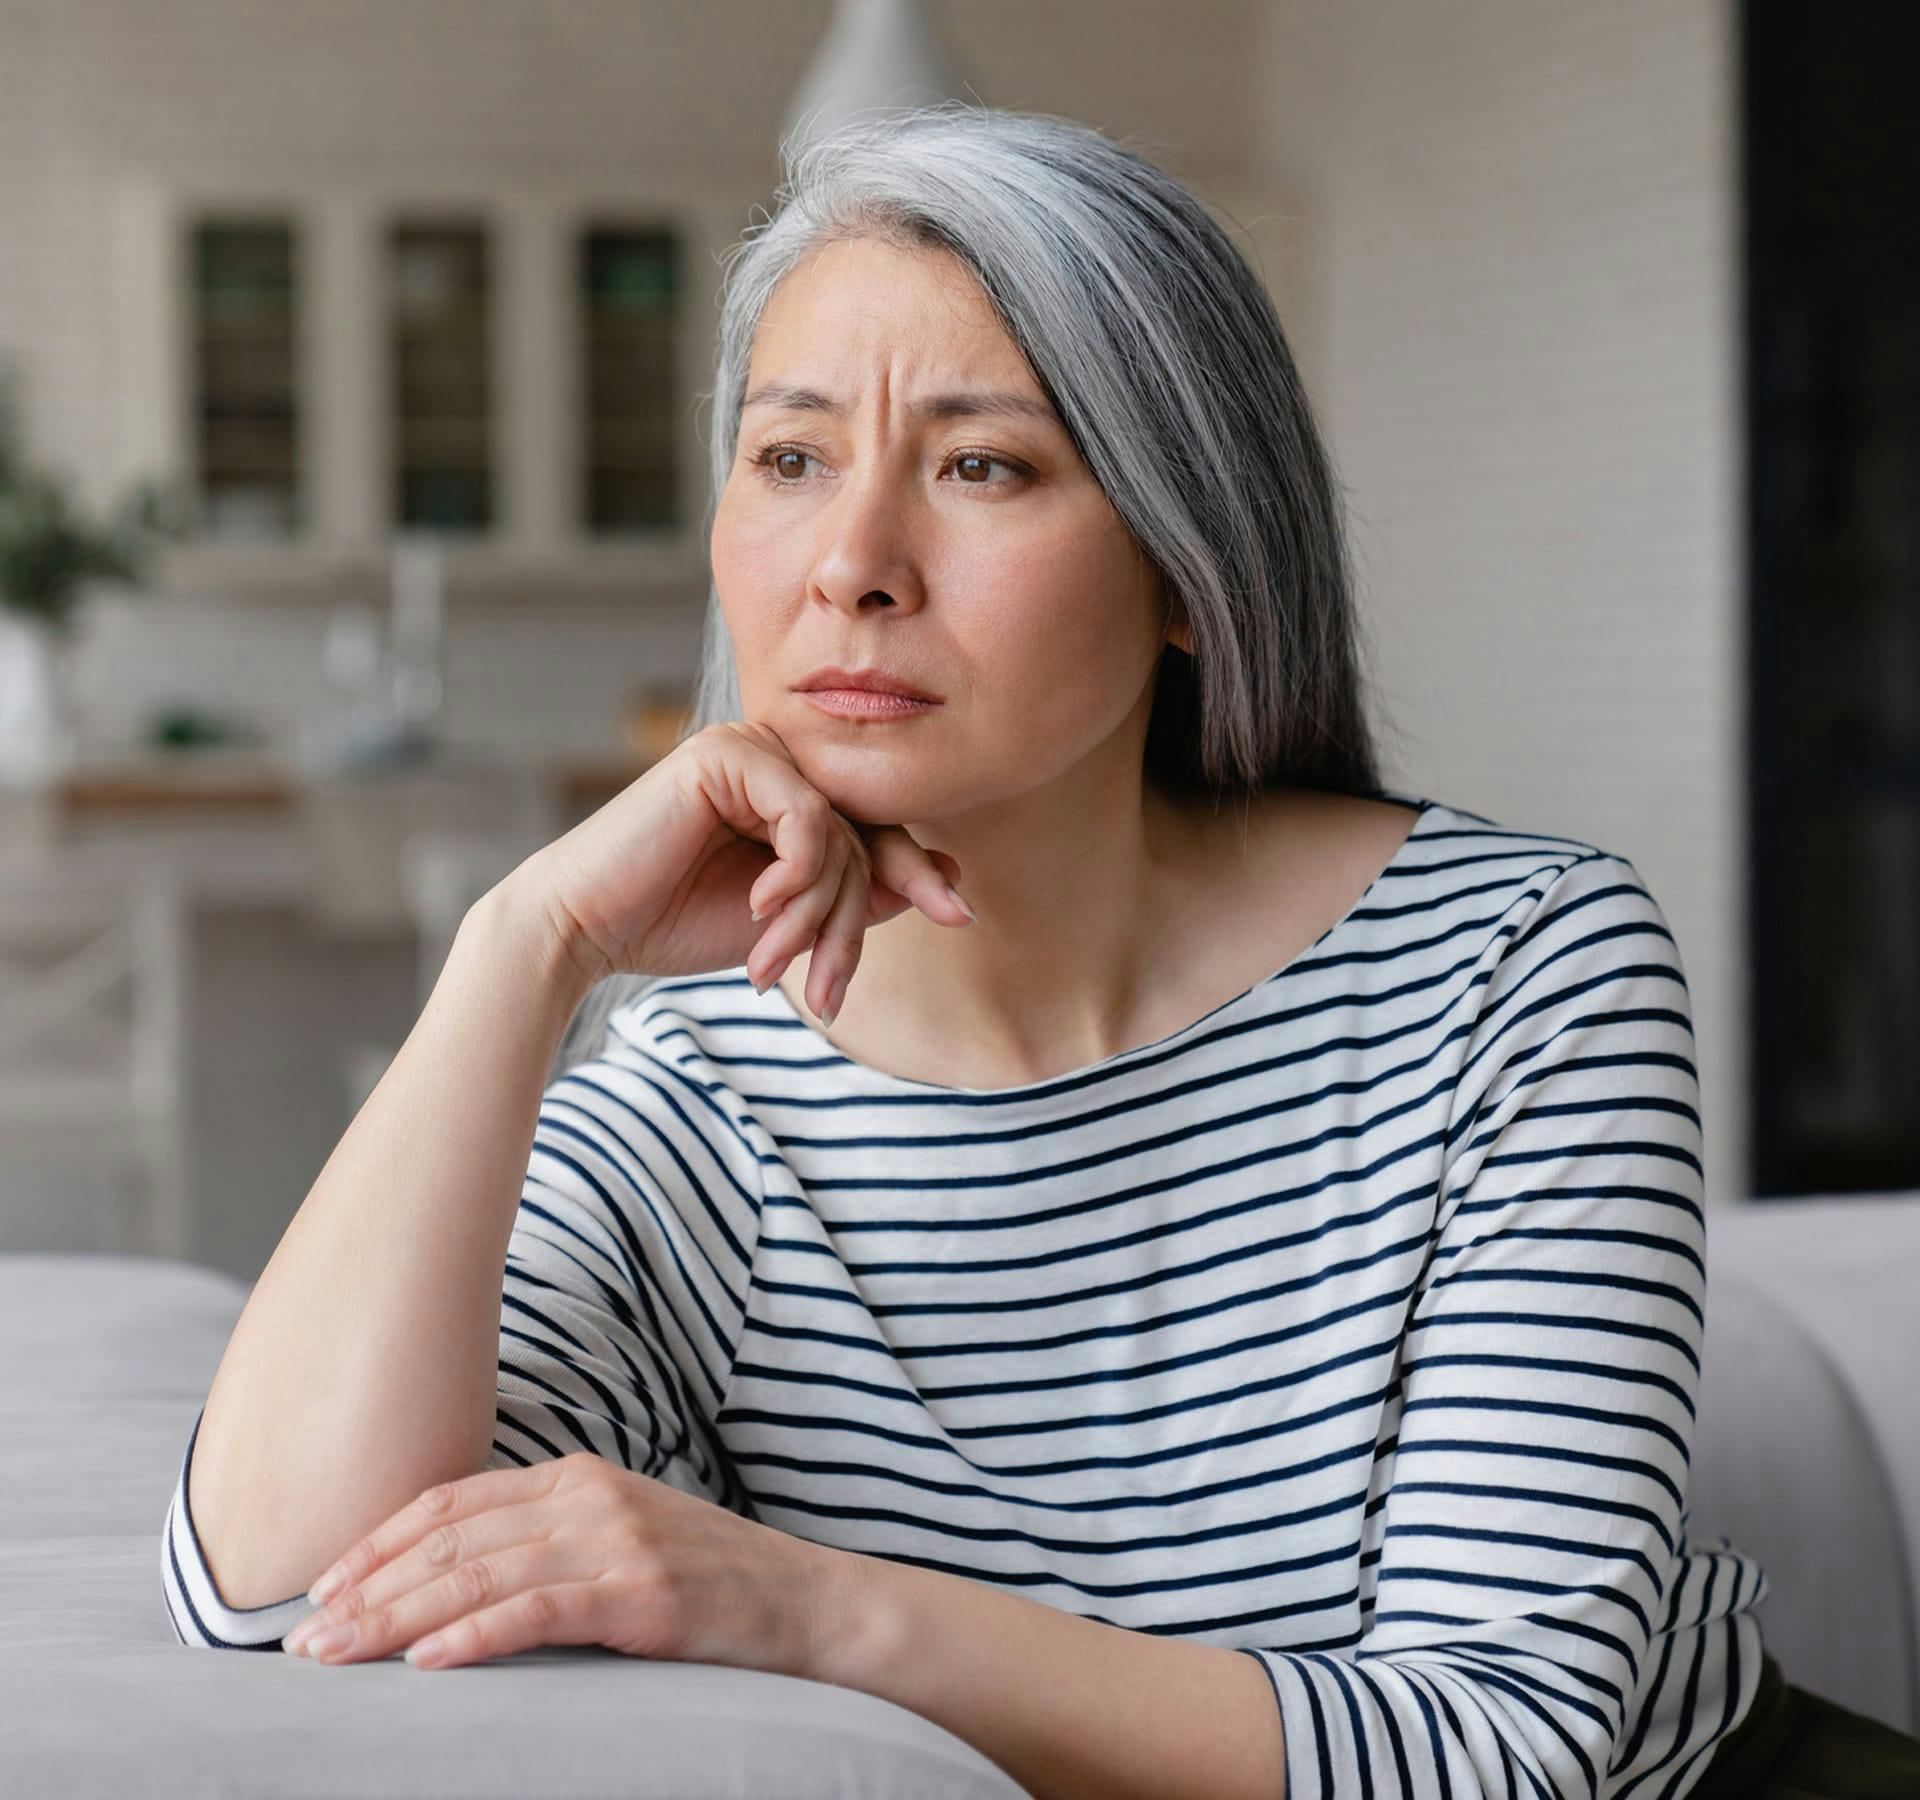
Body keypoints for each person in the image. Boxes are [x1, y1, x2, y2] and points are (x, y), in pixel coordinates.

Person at [159, 103, 1920, 1799]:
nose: (851, 562)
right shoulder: (704, 1111)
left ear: (1186, 564)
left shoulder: (1518, 969)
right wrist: (522, 945)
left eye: (982, 466)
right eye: (789, 459)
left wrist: (800, 1605)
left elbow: (1498, 1752)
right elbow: (285, 1590)